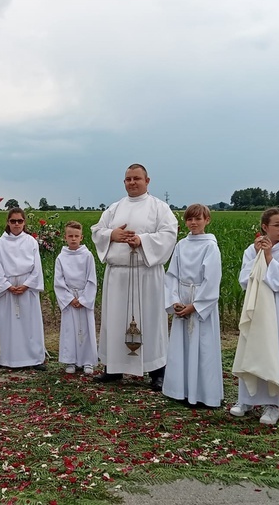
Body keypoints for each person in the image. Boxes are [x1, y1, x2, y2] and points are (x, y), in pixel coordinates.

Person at [91, 164, 178, 390]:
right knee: (115, 320)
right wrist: (112, 234)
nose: (132, 182)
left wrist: (142, 241)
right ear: (124, 182)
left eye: (136, 178)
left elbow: (169, 234)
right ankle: (113, 368)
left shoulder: (160, 208)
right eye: (128, 179)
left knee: (150, 321)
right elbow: (96, 231)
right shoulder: (114, 208)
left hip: (146, 273)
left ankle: (157, 370)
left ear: (147, 181)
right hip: (118, 275)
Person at [230, 207, 279, 425]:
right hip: (255, 304)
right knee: (251, 348)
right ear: (265, 227)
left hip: (277, 305)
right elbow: (244, 280)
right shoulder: (250, 250)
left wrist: (269, 257)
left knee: (275, 350)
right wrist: (257, 256)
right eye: (277, 225)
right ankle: (246, 399)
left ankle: (273, 403)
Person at [162, 204, 223, 407]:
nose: (193, 223)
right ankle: (181, 390)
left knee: (202, 348)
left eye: (198, 219)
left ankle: (204, 394)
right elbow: (172, 275)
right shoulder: (181, 245)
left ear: (207, 220)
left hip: (199, 303)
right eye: (190, 219)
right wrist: (175, 302)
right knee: (182, 347)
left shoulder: (210, 246)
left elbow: (212, 280)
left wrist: (195, 306)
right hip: (182, 299)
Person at [0, 208, 46, 370]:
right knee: (8, 325)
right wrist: (7, 286)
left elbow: (37, 268)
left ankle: (35, 358)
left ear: (24, 222)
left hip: (26, 288)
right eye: (13, 221)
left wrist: (27, 284)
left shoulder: (30, 241)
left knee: (31, 324)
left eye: (19, 221)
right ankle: (8, 358)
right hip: (8, 289)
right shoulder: (1, 243)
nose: (16, 224)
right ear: (8, 222)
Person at [54, 221, 98, 375]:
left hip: (83, 297)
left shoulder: (87, 256)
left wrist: (84, 299)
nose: (73, 239)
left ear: (81, 237)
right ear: (65, 237)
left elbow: (91, 279)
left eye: (76, 236)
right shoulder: (61, 257)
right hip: (70, 299)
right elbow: (58, 281)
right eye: (70, 236)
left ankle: (87, 361)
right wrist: (69, 298)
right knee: (69, 330)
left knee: (86, 329)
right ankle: (70, 360)